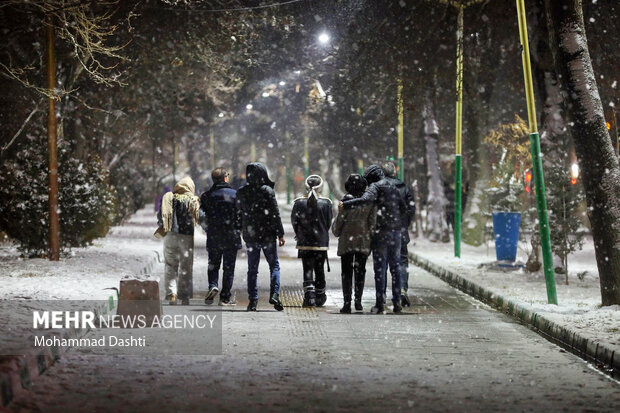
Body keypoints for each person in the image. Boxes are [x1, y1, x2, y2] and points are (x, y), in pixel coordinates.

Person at [339, 164, 406, 314]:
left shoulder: (376, 186)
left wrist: (345, 204)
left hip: (381, 232)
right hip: (395, 232)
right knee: (395, 268)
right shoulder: (393, 186)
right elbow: (403, 208)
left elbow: (364, 200)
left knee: (380, 269)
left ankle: (380, 303)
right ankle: (397, 303)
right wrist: (398, 223)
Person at [236, 163, 286, 312]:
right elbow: (275, 214)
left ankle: (253, 300)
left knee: (252, 269)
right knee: (274, 265)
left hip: (251, 236)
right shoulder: (268, 191)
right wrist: (280, 233)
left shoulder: (242, 192)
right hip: (268, 234)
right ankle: (275, 294)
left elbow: (238, 214)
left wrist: (240, 230)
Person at [332, 174, 376, 314]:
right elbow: (373, 224)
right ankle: (358, 301)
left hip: (346, 244)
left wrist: (340, 215)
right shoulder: (369, 203)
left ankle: (346, 303)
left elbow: (336, 229)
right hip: (363, 242)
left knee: (346, 273)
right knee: (360, 271)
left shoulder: (345, 203)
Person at [199, 167, 241, 306]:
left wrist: (208, 228)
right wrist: (238, 228)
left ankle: (213, 285)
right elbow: (241, 215)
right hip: (231, 235)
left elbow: (201, 216)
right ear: (225, 178)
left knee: (213, 264)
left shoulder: (206, 196)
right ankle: (225, 298)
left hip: (214, 235)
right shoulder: (235, 195)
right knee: (229, 268)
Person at [291, 175, 333, 308]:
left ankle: (309, 297)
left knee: (307, 269)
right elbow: (328, 223)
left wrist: (300, 233)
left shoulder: (298, 203)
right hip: (320, 244)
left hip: (304, 242)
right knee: (319, 269)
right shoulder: (326, 203)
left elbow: (295, 222)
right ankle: (320, 295)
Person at [157, 177, 200, 305]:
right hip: (186, 236)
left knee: (170, 265)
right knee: (186, 266)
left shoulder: (169, 198)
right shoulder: (192, 199)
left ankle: (172, 294)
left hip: (170, 235)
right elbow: (198, 216)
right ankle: (184, 295)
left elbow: (160, 216)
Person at [382, 162, 415, 307]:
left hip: (383, 231)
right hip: (400, 231)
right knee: (401, 261)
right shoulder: (404, 188)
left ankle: (381, 293)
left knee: (382, 262)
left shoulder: (379, 188)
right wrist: (403, 224)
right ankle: (401, 290)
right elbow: (410, 210)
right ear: (395, 172)